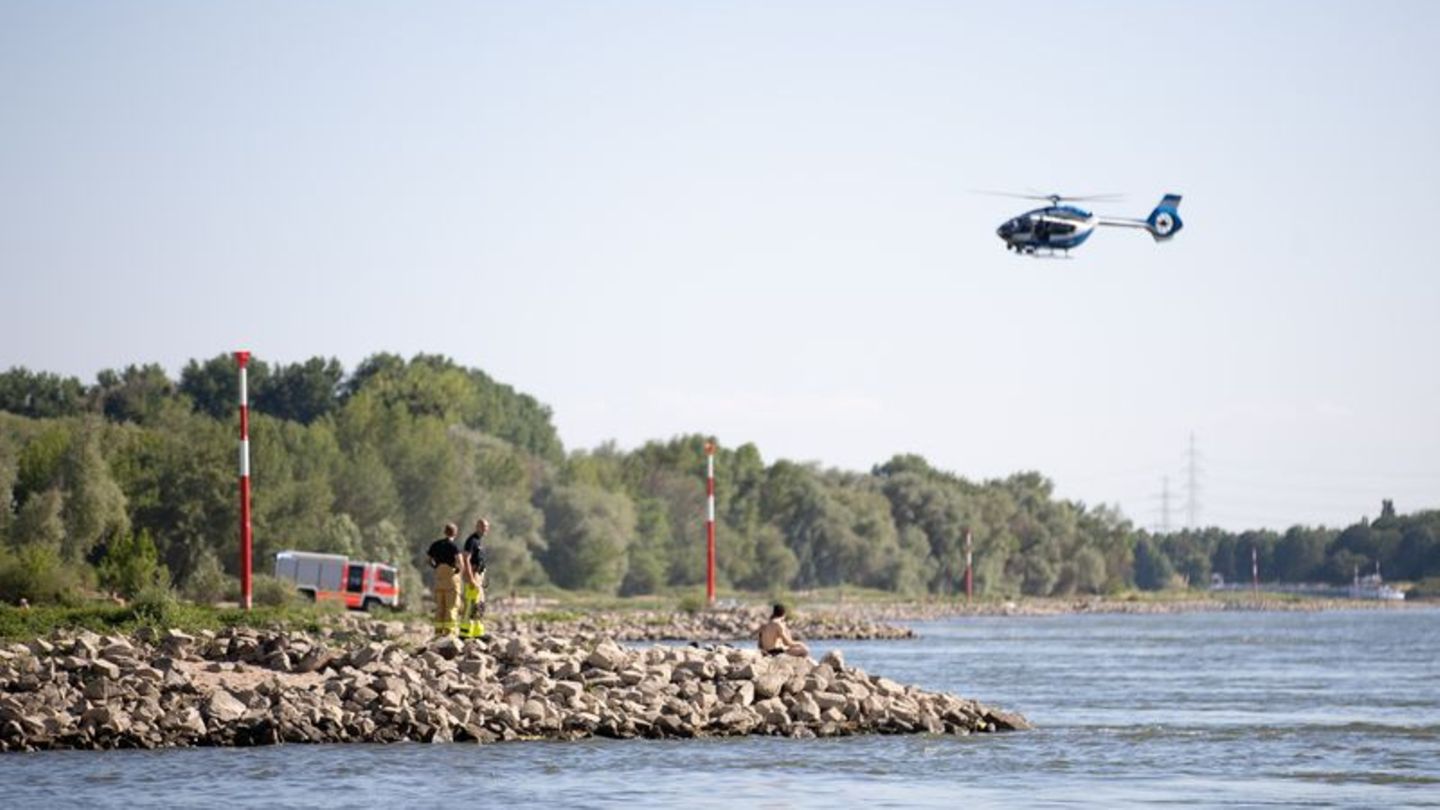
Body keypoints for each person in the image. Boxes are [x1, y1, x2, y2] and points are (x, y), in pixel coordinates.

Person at [426, 523, 469, 637]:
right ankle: (450, 633)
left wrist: (436, 567)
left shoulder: (435, 545)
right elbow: (460, 563)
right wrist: (458, 572)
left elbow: (428, 560)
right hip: (451, 579)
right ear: (455, 533)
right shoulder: (454, 547)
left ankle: (438, 632)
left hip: (440, 578)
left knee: (440, 607)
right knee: (452, 606)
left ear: (444, 532)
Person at [459, 518, 490, 639]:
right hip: (473, 576)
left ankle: (478, 633)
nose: (485, 529)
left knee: (479, 605)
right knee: (470, 606)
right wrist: (471, 578)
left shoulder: (479, 541)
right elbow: (466, 559)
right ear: (477, 527)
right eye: (482, 526)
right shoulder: (471, 541)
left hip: (479, 577)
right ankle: (465, 633)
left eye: (486, 527)